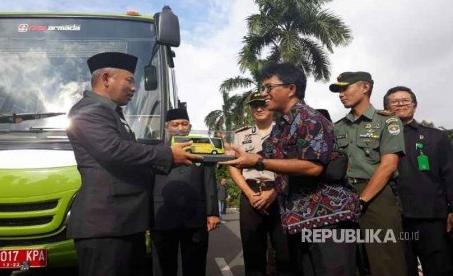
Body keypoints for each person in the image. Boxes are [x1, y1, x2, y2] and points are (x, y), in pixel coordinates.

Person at [66, 52, 200, 276]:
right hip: (106, 227)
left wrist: (176, 158)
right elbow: (113, 150)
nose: (134, 88)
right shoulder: (89, 110)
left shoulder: (110, 113)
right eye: (129, 80)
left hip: (122, 223)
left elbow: (130, 159)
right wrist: (167, 154)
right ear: (107, 78)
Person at [221, 63, 360, 275]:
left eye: (269, 87)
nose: (265, 94)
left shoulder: (309, 119)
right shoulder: (283, 125)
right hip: (301, 220)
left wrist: (256, 162)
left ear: (291, 89)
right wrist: (236, 155)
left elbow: (312, 166)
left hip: (328, 222)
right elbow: (266, 155)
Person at [329, 72, 408, 276]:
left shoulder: (387, 121)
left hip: (377, 196)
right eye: (339, 90)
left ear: (365, 87)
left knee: (385, 260)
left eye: (345, 88)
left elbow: (388, 165)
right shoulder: (337, 127)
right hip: (343, 195)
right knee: (350, 260)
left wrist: (362, 200)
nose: (341, 94)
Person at [384, 86, 453, 276]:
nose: (400, 104)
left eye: (405, 100)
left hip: (432, 217)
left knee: (440, 268)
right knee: (402, 269)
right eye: (394, 102)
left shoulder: (436, 137)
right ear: (386, 108)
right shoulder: (379, 139)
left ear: (414, 105)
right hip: (394, 219)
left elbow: (449, 174)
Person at [229, 92, 294, 275]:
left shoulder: (284, 132)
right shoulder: (241, 135)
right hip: (250, 195)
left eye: (263, 104)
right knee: (253, 253)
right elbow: (233, 167)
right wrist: (249, 194)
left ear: (271, 106)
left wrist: (273, 192)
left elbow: (292, 165)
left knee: (285, 252)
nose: (258, 108)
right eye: (254, 105)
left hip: (279, 195)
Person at [152, 108, 220, 276]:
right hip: (162, 217)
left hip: (195, 216)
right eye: (175, 124)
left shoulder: (202, 147)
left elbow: (209, 180)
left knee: (195, 266)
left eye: (184, 124)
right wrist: (145, 216)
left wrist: (212, 212)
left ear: (190, 127)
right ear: (167, 128)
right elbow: (147, 184)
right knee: (163, 267)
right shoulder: (155, 150)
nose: (180, 128)